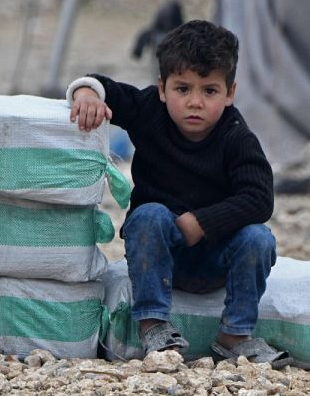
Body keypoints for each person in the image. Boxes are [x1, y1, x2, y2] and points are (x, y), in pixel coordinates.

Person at [67, 20, 291, 366]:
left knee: (259, 238)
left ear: (230, 93)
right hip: (158, 251)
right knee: (149, 215)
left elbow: (260, 197)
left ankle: (234, 335)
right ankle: (154, 324)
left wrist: (201, 222)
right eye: (182, 89)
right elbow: (105, 87)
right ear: (162, 88)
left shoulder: (236, 137)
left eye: (210, 91)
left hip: (217, 258)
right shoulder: (150, 111)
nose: (195, 103)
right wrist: (86, 94)